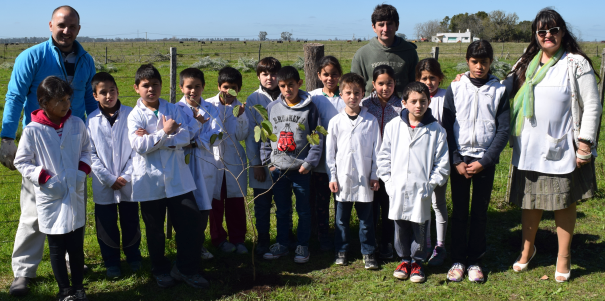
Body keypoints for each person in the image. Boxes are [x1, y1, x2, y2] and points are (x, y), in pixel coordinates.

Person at [1, 6, 96, 296]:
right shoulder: (31, 57)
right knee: (33, 212)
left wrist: (100, 135)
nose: (67, 31)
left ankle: (70, 262)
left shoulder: (86, 60)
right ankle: (24, 271)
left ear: (79, 29)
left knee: (72, 206)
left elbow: (90, 104)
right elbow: (16, 95)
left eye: (73, 26)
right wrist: (6, 137)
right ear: (50, 25)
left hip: (73, 140)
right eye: (62, 25)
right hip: (41, 143)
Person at [506, 9, 602, 282]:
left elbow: (592, 105)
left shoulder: (576, 63)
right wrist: (464, 78)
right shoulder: (525, 63)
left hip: (560, 146)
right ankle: (527, 249)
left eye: (554, 30)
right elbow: (501, 87)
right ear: (535, 35)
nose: (548, 35)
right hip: (528, 147)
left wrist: (585, 143)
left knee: (563, 202)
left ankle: (564, 256)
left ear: (563, 31)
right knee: (530, 200)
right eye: (542, 31)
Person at [127, 64, 207, 289]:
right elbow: (139, 146)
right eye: (145, 86)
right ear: (136, 88)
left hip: (177, 179)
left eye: (155, 85)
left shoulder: (173, 109)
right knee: (155, 231)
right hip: (149, 181)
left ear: (161, 86)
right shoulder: (134, 116)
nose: (151, 89)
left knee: (191, 224)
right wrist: (164, 132)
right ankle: (160, 270)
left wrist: (156, 138)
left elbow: (187, 136)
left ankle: (185, 268)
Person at [14, 76, 92, 300]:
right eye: (60, 100)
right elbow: (22, 162)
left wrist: (81, 172)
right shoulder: (33, 130)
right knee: (57, 247)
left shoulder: (76, 123)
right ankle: (64, 291)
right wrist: (44, 177)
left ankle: (78, 287)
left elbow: (87, 150)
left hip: (74, 191)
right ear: (44, 102)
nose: (66, 104)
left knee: (76, 246)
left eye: (68, 99)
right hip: (51, 195)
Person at [442, 40, 510, 283]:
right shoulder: (456, 87)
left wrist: (486, 160)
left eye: (484, 62)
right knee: (459, 211)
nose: (479, 66)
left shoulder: (499, 90)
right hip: (460, 160)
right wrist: (456, 159)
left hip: (484, 160)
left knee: (480, 212)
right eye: (474, 61)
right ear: (467, 61)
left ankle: (475, 261)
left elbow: (503, 130)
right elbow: (447, 126)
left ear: (491, 62)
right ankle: (458, 260)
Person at [377, 82, 449, 283]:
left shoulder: (436, 130)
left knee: (420, 226)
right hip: (397, 187)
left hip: (421, 189)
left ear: (429, 102)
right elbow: (383, 157)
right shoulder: (393, 127)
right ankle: (404, 259)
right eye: (414, 101)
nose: (419, 105)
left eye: (423, 101)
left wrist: (431, 184)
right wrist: (389, 182)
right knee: (400, 225)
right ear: (404, 103)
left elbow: (442, 164)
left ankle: (418, 261)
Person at [260, 66, 323, 263]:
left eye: (291, 85)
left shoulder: (309, 108)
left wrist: (309, 163)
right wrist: (268, 162)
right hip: (278, 169)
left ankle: (302, 245)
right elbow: (265, 136)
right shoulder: (272, 108)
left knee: (303, 209)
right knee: (282, 209)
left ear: (299, 84)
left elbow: (317, 138)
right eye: (283, 86)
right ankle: (282, 244)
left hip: (301, 171)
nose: (287, 90)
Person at [87, 72, 142, 278]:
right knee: (106, 223)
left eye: (112, 90)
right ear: (95, 96)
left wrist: (126, 176)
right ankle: (111, 261)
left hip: (128, 181)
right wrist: (108, 178)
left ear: (118, 91)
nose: (109, 95)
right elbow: (90, 153)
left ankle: (133, 256)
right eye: (103, 92)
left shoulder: (131, 115)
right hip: (104, 184)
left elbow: (136, 149)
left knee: (130, 219)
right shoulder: (90, 121)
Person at [326, 73, 381, 269]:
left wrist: (375, 175)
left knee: (366, 220)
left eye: (356, 93)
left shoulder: (371, 121)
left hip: (365, 178)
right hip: (342, 179)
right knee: (341, 219)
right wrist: (332, 176)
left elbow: (377, 150)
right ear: (341, 94)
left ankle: (368, 252)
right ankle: (341, 250)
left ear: (363, 94)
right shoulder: (335, 122)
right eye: (348, 93)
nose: (352, 97)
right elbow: (330, 153)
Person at [176, 68, 220, 260]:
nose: (193, 91)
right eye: (188, 87)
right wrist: (195, 138)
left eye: (197, 87)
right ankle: (185, 246)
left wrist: (194, 141)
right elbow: (179, 137)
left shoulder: (212, 109)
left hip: (205, 162)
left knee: (204, 204)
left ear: (203, 87)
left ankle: (199, 244)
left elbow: (217, 136)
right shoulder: (175, 110)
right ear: (181, 88)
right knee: (186, 206)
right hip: (183, 163)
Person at [360, 65, 403, 259]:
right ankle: (371, 241)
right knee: (371, 205)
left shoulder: (401, 106)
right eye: (380, 83)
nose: (385, 88)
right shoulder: (365, 104)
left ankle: (387, 241)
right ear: (373, 84)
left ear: (395, 84)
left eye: (389, 83)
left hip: (394, 164)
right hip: (369, 163)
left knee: (389, 205)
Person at [206, 67, 250, 254]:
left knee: (236, 202)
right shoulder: (208, 105)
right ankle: (218, 239)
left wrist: (240, 117)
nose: (228, 91)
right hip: (213, 161)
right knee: (215, 202)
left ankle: (238, 239)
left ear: (238, 89)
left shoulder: (240, 108)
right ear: (218, 86)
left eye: (233, 87)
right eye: (225, 87)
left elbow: (242, 135)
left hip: (234, 161)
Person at [245, 57, 281, 256]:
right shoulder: (253, 99)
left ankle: (284, 239)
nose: (270, 78)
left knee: (284, 204)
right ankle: (263, 240)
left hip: (283, 159)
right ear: (258, 76)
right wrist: (256, 164)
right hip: (261, 160)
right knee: (262, 204)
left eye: (274, 74)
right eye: (265, 74)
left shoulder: (286, 96)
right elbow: (252, 135)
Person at [415, 58, 449, 266]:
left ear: (440, 78)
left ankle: (441, 244)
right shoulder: (416, 99)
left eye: (433, 78)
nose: (429, 82)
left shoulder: (446, 96)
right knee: (423, 203)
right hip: (420, 160)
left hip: (440, 158)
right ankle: (424, 242)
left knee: (438, 203)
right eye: (424, 78)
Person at [306, 56, 341, 251]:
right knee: (320, 200)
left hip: (340, 159)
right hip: (319, 160)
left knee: (340, 200)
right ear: (319, 75)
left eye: (334, 74)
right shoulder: (313, 97)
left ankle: (340, 234)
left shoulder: (346, 97)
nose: (330, 78)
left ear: (340, 75)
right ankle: (321, 234)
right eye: (326, 74)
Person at [351, 4, 418, 98]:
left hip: (402, 109)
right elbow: (354, 88)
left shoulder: (410, 52)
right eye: (381, 24)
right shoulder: (362, 55)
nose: (385, 29)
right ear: (373, 27)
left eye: (390, 24)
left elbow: (415, 86)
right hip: (369, 110)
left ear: (397, 25)